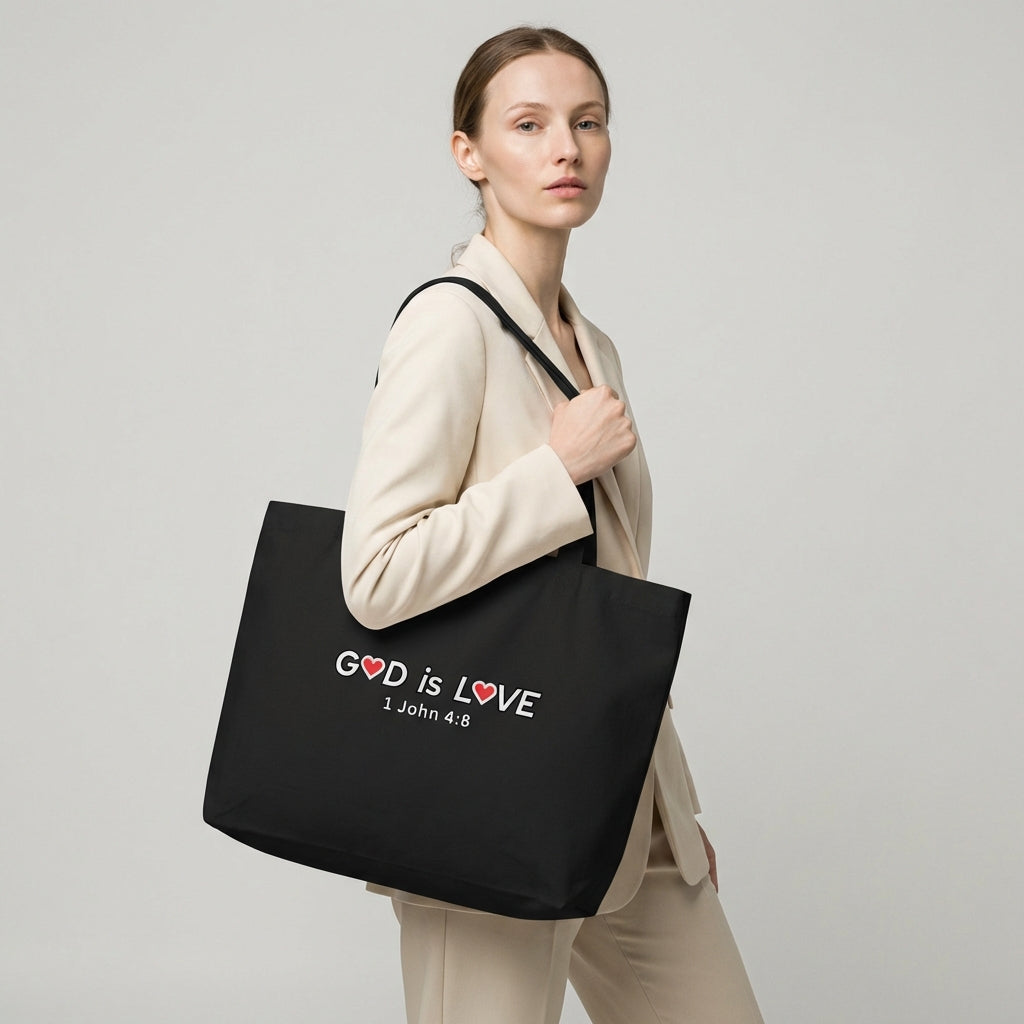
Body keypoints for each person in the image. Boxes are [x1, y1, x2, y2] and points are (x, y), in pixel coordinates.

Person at [341, 25, 764, 1024]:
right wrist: (552, 470)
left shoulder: (591, 344)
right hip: (484, 796)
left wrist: (666, 798)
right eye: (527, 125)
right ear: (469, 153)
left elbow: (603, 592)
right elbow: (376, 573)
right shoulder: (448, 323)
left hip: (616, 795)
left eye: (586, 122)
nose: (565, 148)